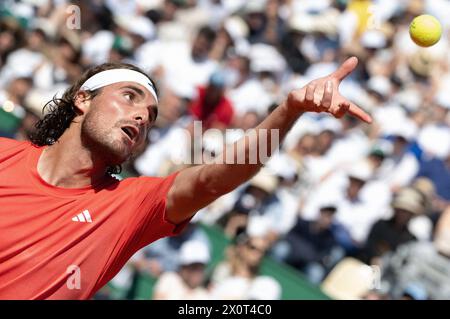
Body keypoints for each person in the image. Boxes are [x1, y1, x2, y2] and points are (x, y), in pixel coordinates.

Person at [0, 56, 371, 299]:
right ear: (82, 99)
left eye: (151, 115)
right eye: (129, 97)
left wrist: (289, 111)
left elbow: (216, 178)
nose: (142, 117)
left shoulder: (130, 203)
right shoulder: (5, 156)